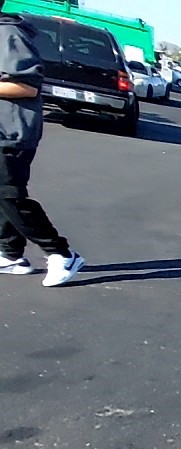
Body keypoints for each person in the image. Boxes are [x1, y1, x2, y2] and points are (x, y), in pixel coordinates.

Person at [0, 4, 84, 286]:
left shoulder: (9, 34)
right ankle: (11, 254)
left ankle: (62, 253)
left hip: (11, 133)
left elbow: (26, 86)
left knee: (9, 194)